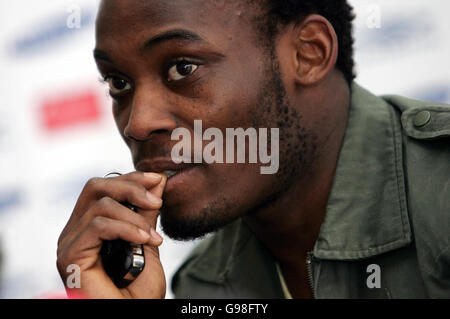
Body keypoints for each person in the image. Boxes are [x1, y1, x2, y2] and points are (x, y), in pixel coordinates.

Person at [57, 0, 450, 298]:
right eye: (119, 83)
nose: (137, 123)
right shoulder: (203, 284)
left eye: (183, 68)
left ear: (308, 53)